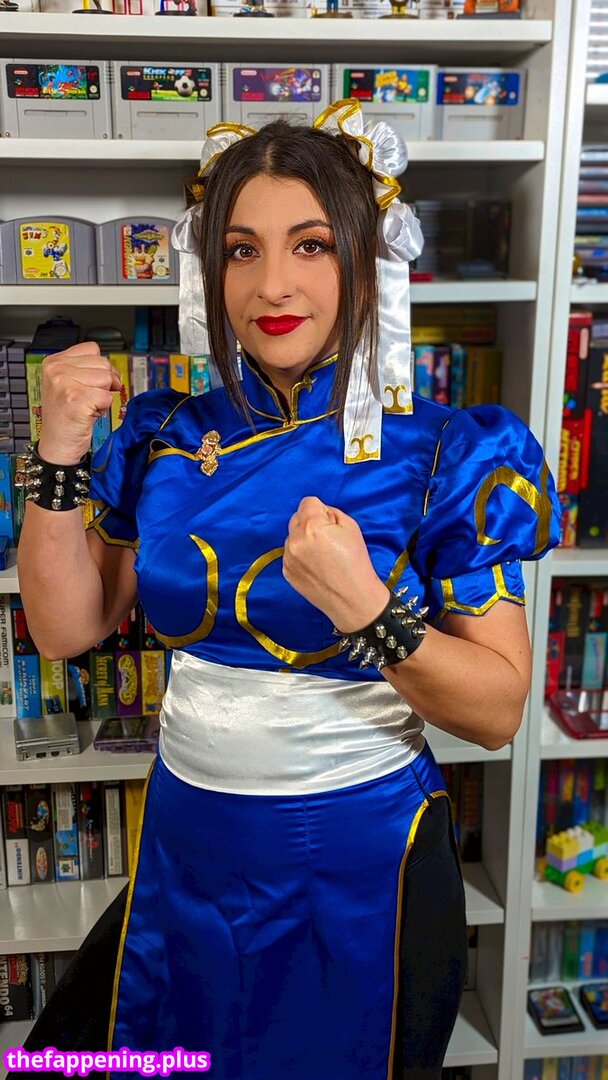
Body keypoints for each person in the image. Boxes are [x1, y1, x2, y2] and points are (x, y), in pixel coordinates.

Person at [16, 100, 562, 1080]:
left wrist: (370, 614)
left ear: (365, 257)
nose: (272, 284)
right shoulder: (165, 434)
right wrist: (55, 456)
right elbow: (65, 629)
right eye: (241, 250)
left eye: (310, 245)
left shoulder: (444, 450)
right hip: (186, 850)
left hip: (359, 871)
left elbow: (495, 711)